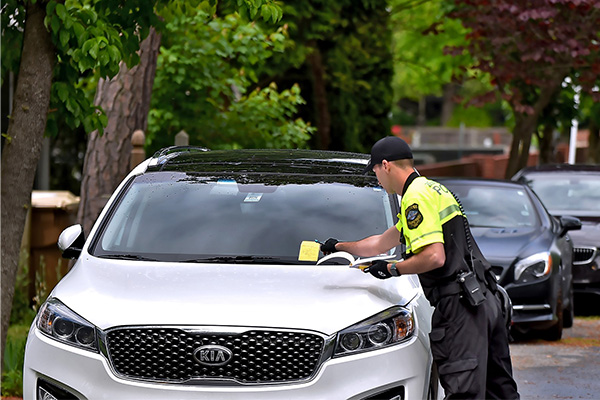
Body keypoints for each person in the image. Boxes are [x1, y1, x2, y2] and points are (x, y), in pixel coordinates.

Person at [321, 136, 519, 399]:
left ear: (386, 165)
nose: (376, 179)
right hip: (484, 300)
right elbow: (380, 242)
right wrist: (339, 246)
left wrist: (394, 269)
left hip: (461, 308)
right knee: (500, 391)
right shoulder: (433, 190)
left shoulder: (414, 198)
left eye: (376, 172)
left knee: (464, 393)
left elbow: (434, 257)